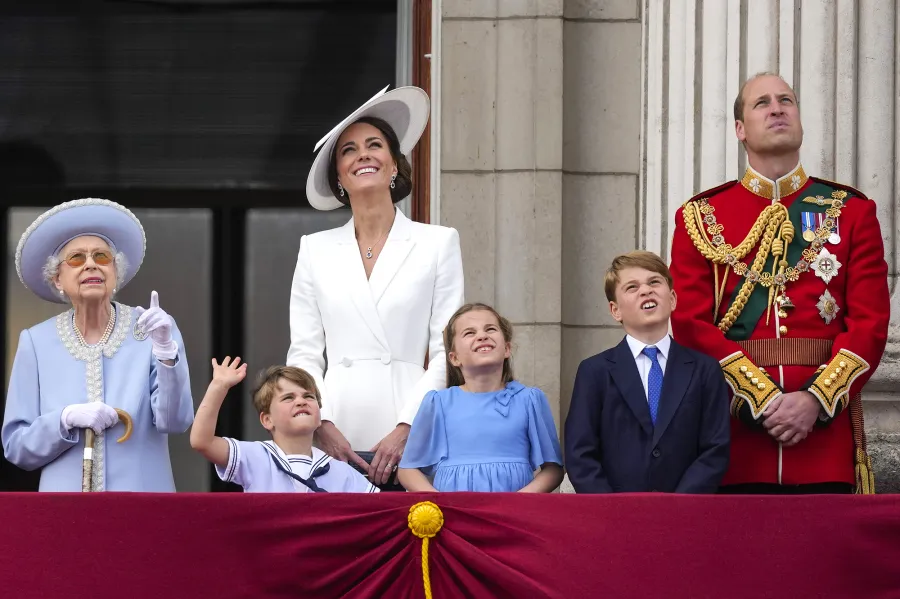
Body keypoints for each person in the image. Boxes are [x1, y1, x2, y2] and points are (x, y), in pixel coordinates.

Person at [669, 72, 890, 494]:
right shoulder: (701, 217)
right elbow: (690, 325)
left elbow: (870, 323)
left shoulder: (852, 212)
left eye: (786, 100)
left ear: (800, 120)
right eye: (762, 103)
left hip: (823, 440)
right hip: (734, 439)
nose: (776, 108)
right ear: (740, 129)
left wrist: (815, 401)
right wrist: (762, 399)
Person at [289, 86, 465, 489]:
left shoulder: (438, 242)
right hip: (335, 433)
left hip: (413, 432)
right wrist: (322, 423)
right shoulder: (314, 249)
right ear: (338, 176)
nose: (363, 154)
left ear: (394, 166)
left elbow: (446, 351)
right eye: (348, 150)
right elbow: (304, 352)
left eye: (374, 145)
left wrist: (408, 426)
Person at [1, 198, 193, 491]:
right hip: (65, 511)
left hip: (142, 505)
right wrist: (63, 420)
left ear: (115, 273)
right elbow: (17, 447)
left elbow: (176, 422)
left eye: (102, 257)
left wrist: (167, 353)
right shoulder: (36, 342)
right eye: (77, 258)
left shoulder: (152, 329)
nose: (91, 264)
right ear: (58, 279)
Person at [564, 251, 730, 493]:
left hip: (686, 512)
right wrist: (610, 508)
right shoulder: (594, 372)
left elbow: (715, 448)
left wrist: (680, 504)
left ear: (672, 298)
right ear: (615, 310)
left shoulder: (705, 369)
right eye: (632, 287)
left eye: (654, 282)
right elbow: (580, 452)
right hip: (615, 515)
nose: (646, 290)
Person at [397, 303, 564, 493]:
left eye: (490, 329)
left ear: (507, 348)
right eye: (469, 333)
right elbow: (407, 469)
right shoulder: (438, 403)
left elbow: (553, 469)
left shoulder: (529, 400)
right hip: (454, 515)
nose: (482, 336)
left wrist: (519, 501)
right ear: (454, 358)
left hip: (511, 515)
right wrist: (440, 503)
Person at [190, 358, 377, 493]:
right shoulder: (254, 456)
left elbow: (378, 512)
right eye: (288, 398)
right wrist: (219, 386)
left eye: (308, 396)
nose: (301, 401)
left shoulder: (341, 471)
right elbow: (202, 442)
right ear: (267, 420)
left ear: (320, 417)